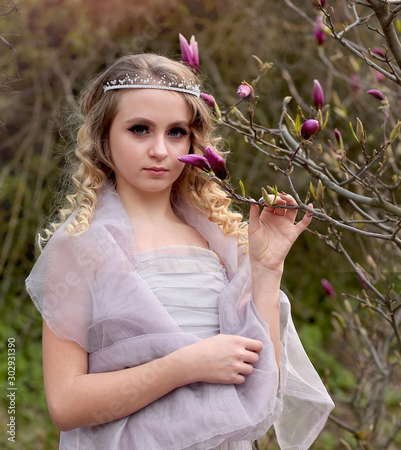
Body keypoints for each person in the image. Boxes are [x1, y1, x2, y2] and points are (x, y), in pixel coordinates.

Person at [26, 53, 334, 450]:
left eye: (176, 132)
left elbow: (264, 383)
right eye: (139, 129)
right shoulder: (83, 248)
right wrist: (183, 366)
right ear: (104, 137)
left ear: (193, 141)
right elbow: (65, 404)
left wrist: (266, 267)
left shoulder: (216, 242)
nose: (160, 150)